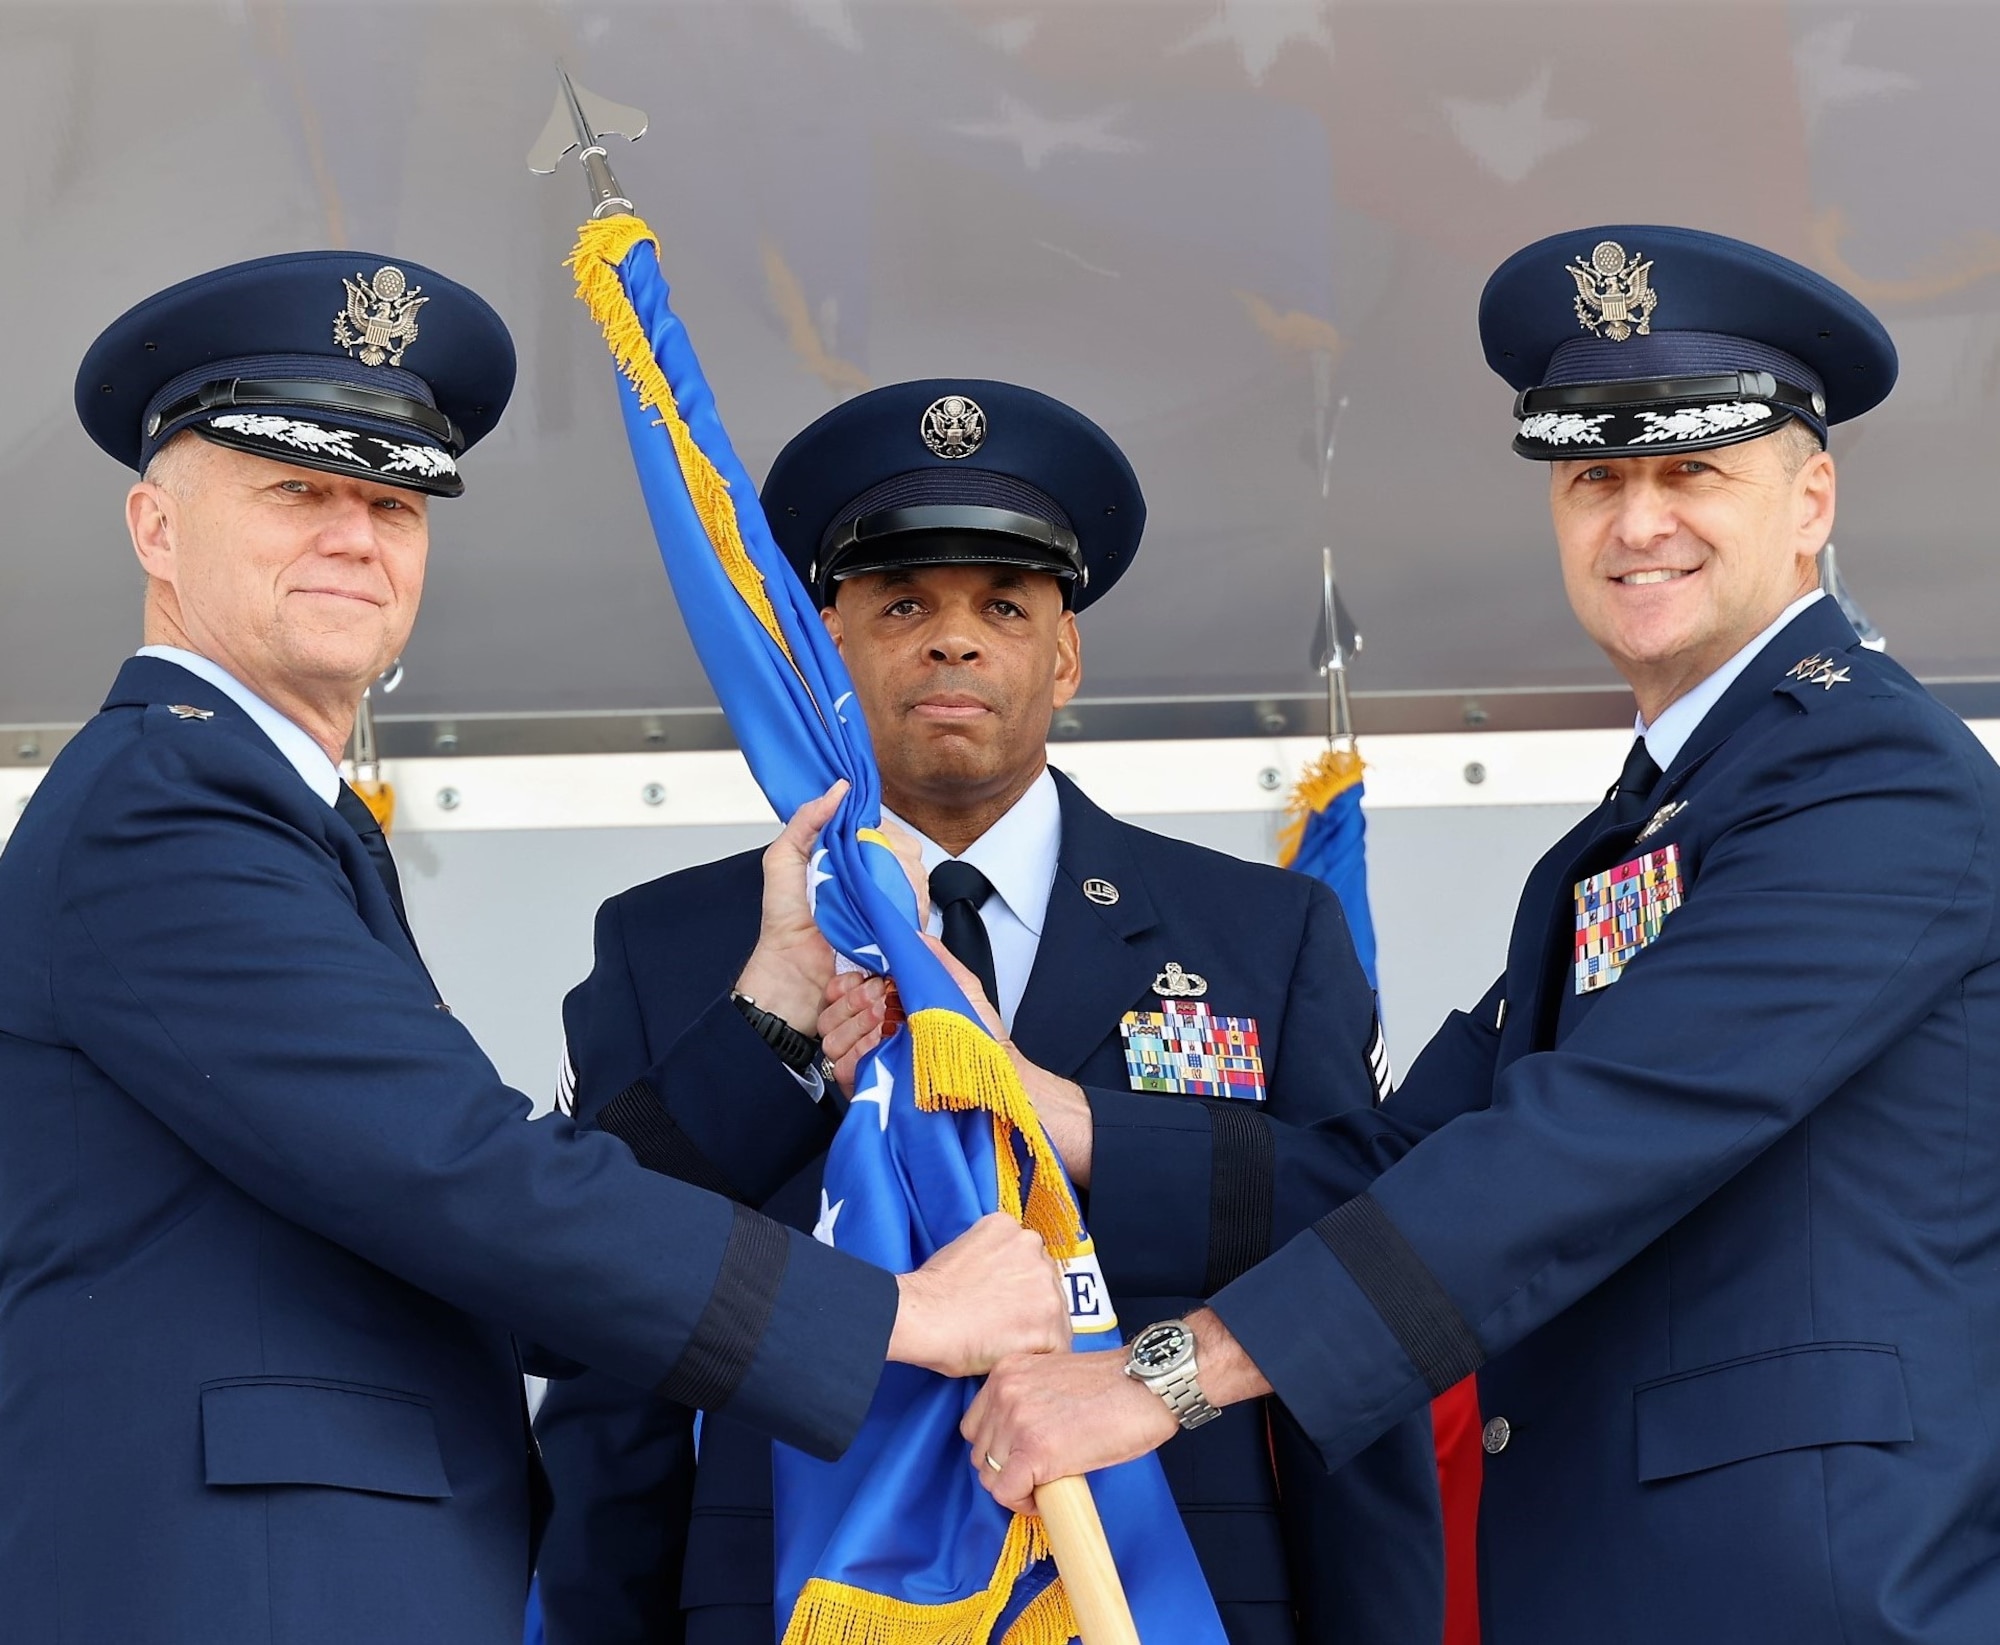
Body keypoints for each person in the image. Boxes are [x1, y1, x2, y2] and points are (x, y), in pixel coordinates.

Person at [0, 256, 1073, 1645]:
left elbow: (482, 1256)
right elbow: (466, 1180)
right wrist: (898, 1315)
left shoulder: (254, 808)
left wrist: (776, 1015)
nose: (355, 536)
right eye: (295, 491)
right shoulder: (169, 810)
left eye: (392, 501)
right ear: (155, 527)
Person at [955, 224, 2000, 1644]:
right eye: (1595, 478)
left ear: (1812, 498)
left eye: (1692, 469)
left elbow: (1586, 1142)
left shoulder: (1877, 780)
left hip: (1809, 1589)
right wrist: (1057, 1112)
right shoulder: (1646, 822)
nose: (1638, 524)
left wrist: (1168, 1375)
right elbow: (1410, 1155)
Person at [532, 379, 1442, 1645]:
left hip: (1175, 1600)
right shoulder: (677, 942)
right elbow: (607, 1352)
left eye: (1001, 607)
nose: (951, 641)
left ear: (1062, 655)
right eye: (901, 604)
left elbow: (1357, 1291)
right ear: (827, 647)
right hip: (791, 1600)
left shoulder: (1263, 935)